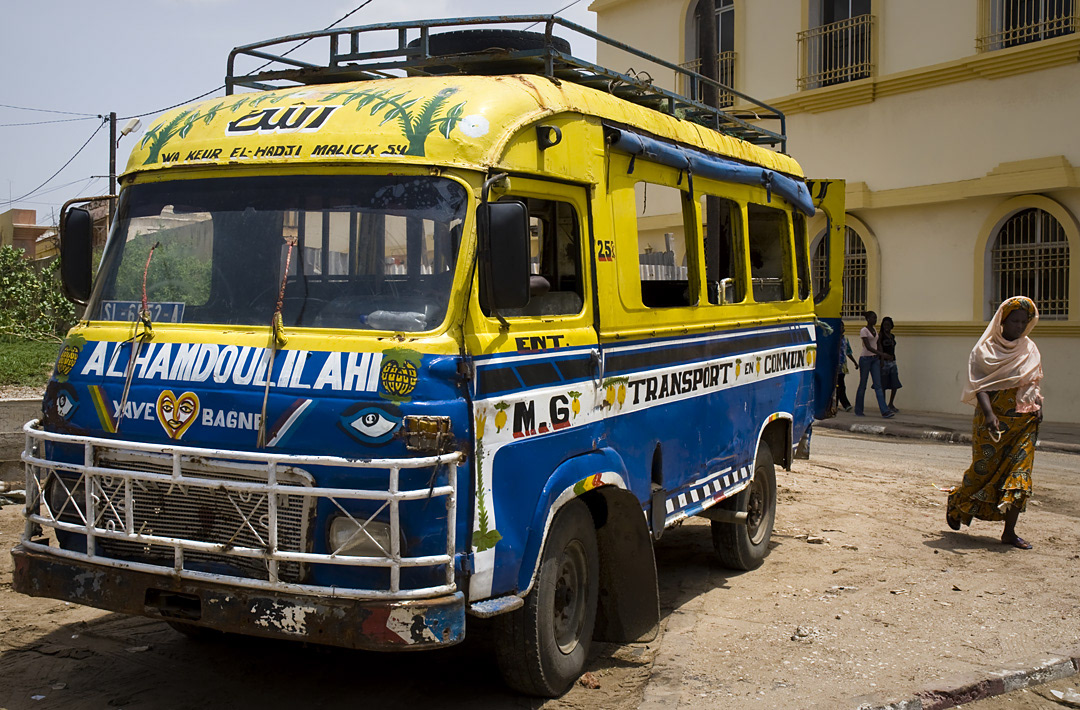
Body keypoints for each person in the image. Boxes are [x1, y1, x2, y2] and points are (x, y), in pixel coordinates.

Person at [946, 296, 1043, 550]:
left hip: (1024, 423)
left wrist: (1038, 405)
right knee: (982, 471)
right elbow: (980, 386)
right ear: (1002, 321)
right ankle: (957, 503)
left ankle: (1009, 532)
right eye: (1015, 321)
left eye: (1024, 321)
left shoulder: (1029, 348)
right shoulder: (985, 350)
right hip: (993, 423)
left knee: (1019, 476)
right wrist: (989, 415)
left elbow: (1032, 383)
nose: (1020, 326)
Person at [854, 310, 894, 418]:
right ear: (868, 319)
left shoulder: (875, 330)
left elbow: (877, 344)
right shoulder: (864, 331)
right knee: (863, 385)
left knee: (878, 385)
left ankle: (884, 411)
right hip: (865, 359)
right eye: (873, 318)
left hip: (875, 359)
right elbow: (868, 347)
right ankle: (858, 409)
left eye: (876, 318)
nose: (875, 320)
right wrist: (882, 354)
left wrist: (881, 358)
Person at [876, 316, 902, 413]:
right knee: (883, 384)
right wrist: (882, 359)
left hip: (892, 361)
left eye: (888, 325)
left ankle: (891, 403)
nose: (886, 327)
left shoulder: (892, 336)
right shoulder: (881, 336)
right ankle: (883, 405)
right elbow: (879, 347)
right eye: (885, 325)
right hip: (884, 362)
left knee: (894, 383)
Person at [835, 322, 859, 412]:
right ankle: (845, 404)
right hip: (835, 366)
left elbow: (848, 352)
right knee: (838, 385)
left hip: (843, 366)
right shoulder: (834, 339)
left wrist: (855, 362)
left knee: (840, 385)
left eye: (843, 327)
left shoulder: (845, 339)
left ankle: (838, 404)